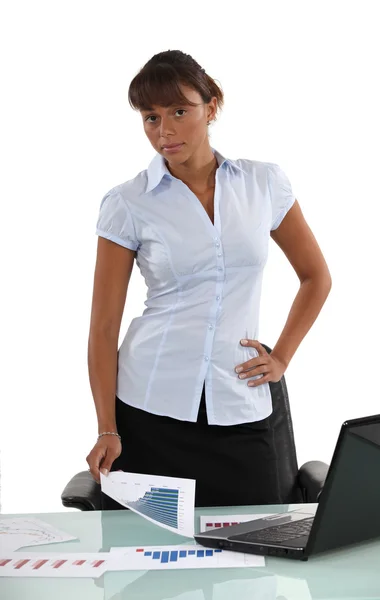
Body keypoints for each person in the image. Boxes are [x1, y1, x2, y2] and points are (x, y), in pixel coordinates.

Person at [86, 50, 332, 510]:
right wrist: (107, 426)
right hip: (150, 407)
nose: (165, 131)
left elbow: (316, 277)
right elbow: (102, 329)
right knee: (151, 566)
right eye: (151, 117)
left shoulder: (263, 185)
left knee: (262, 550)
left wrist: (281, 357)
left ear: (211, 105)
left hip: (241, 403)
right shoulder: (127, 203)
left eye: (180, 111)